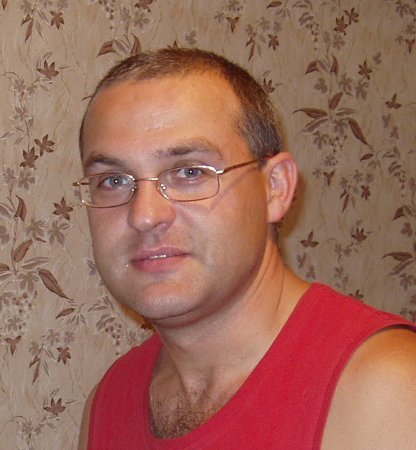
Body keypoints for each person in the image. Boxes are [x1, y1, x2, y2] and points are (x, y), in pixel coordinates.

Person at [76, 48, 416, 449]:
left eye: (190, 172)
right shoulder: (108, 402)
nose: (145, 215)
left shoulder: (387, 391)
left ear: (275, 189)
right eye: (113, 181)